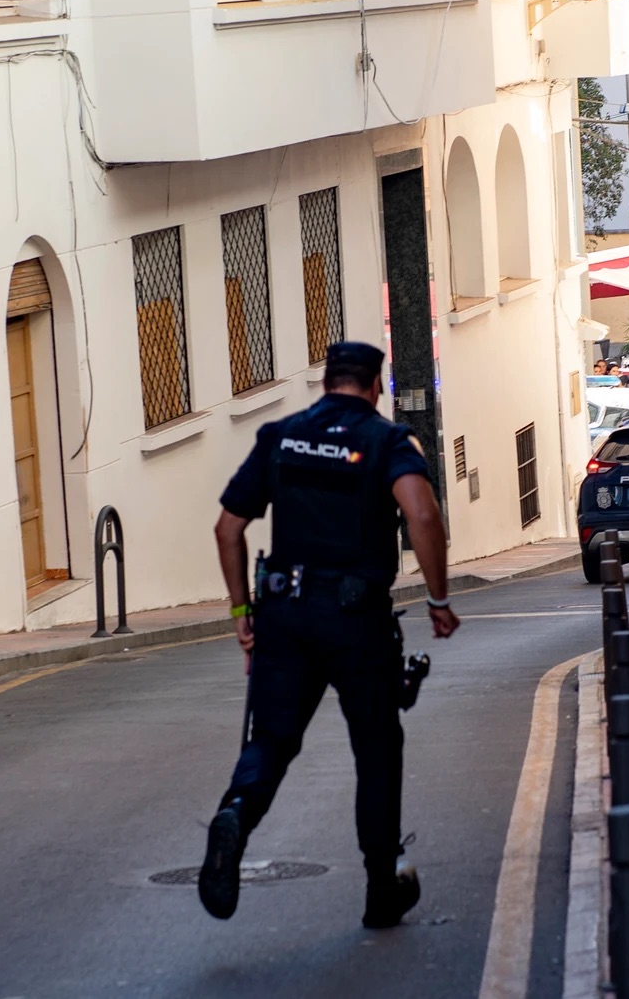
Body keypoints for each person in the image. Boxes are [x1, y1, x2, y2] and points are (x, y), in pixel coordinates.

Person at [201, 341, 460, 929]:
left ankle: (236, 814)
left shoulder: (281, 435)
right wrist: (439, 601)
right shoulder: (387, 441)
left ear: (325, 384)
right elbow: (421, 515)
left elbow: (227, 528)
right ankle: (379, 890)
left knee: (270, 740)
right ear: (375, 387)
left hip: (284, 615)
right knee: (375, 751)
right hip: (355, 620)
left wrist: (242, 610)